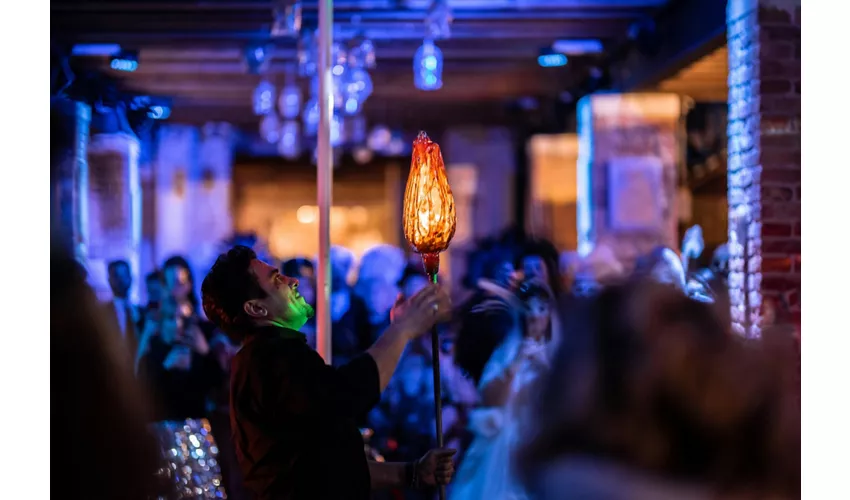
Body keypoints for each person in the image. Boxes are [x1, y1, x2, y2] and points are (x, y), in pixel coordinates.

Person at [201, 246, 457, 500]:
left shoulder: (269, 356)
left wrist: (411, 473)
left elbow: (323, 464)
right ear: (256, 309)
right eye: (277, 279)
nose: (294, 281)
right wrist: (402, 330)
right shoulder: (271, 358)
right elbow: (347, 395)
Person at [449, 280, 556, 500]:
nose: (535, 316)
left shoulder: (559, 354)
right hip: (505, 443)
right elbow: (490, 400)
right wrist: (517, 361)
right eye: (529, 309)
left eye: (541, 309)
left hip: (544, 442)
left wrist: (545, 366)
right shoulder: (506, 352)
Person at [102, 259, 142, 358]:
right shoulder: (101, 314)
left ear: (131, 278)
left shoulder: (141, 312)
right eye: (116, 276)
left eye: (124, 276)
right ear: (109, 280)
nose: (121, 281)